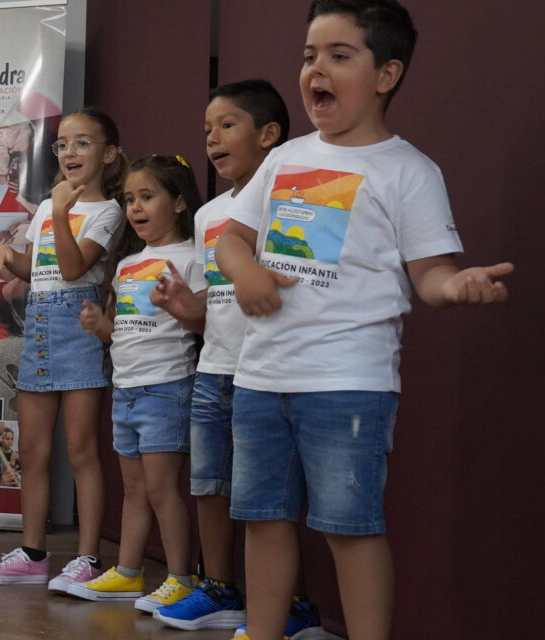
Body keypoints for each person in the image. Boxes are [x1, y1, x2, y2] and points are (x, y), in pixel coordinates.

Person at [215, 2, 512, 638]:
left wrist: (455, 285)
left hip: (348, 382)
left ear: (386, 74)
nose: (316, 69)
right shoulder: (285, 157)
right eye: (308, 56)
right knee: (264, 521)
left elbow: (429, 275)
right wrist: (246, 273)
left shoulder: (410, 171)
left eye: (339, 56)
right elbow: (231, 239)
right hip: (261, 377)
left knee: (350, 528)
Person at [153, 81, 326, 637]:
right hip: (214, 369)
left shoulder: (295, 202)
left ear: (270, 135)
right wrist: (185, 307)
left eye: (227, 125)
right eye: (207, 129)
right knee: (207, 484)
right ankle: (219, 588)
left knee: (272, 496)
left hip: (271, 372)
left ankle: (290, 605)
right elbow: (215, 301)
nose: (212, 138)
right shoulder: (208, 216)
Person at [0, 108, 126, 591]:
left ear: (109, 154)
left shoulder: (107, 211)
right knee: (34, 452)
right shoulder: (44, 208)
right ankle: (33, 551)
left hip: (77, 331)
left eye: (83, 143)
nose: (69, 152)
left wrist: (60, 211)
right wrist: (7, 260)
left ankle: (87, 558)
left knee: (81, 450)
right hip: (39, 327)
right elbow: (40, 269)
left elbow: (75, 266)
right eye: (62, 144)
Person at [69, 155, 204, 611]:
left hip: (168, 386)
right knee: (133, 489)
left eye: (148, 197)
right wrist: (98, 325)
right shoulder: (127, 264)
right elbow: (119, 331)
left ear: (180, 202)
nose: (136, 208)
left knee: (164, 488)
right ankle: (128, 570)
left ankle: (180, 576)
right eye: (129, 199)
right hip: (125, 388)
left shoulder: (192, 257)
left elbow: (202, 319)